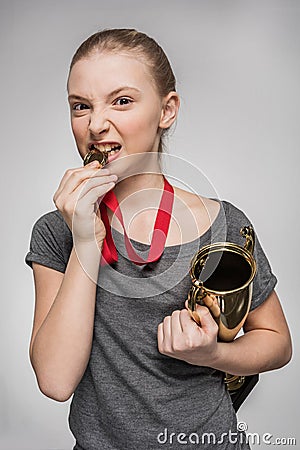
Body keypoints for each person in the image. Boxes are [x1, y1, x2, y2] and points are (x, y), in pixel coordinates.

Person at [25, 28, 292, 450]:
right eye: (81, 106)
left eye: (122, 101)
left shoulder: (223, 221)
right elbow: (56, 381)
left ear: (167, 110)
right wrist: (87, 238)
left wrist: (212, 355)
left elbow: (277, 343)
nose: (96, 124)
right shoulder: (56, 230)